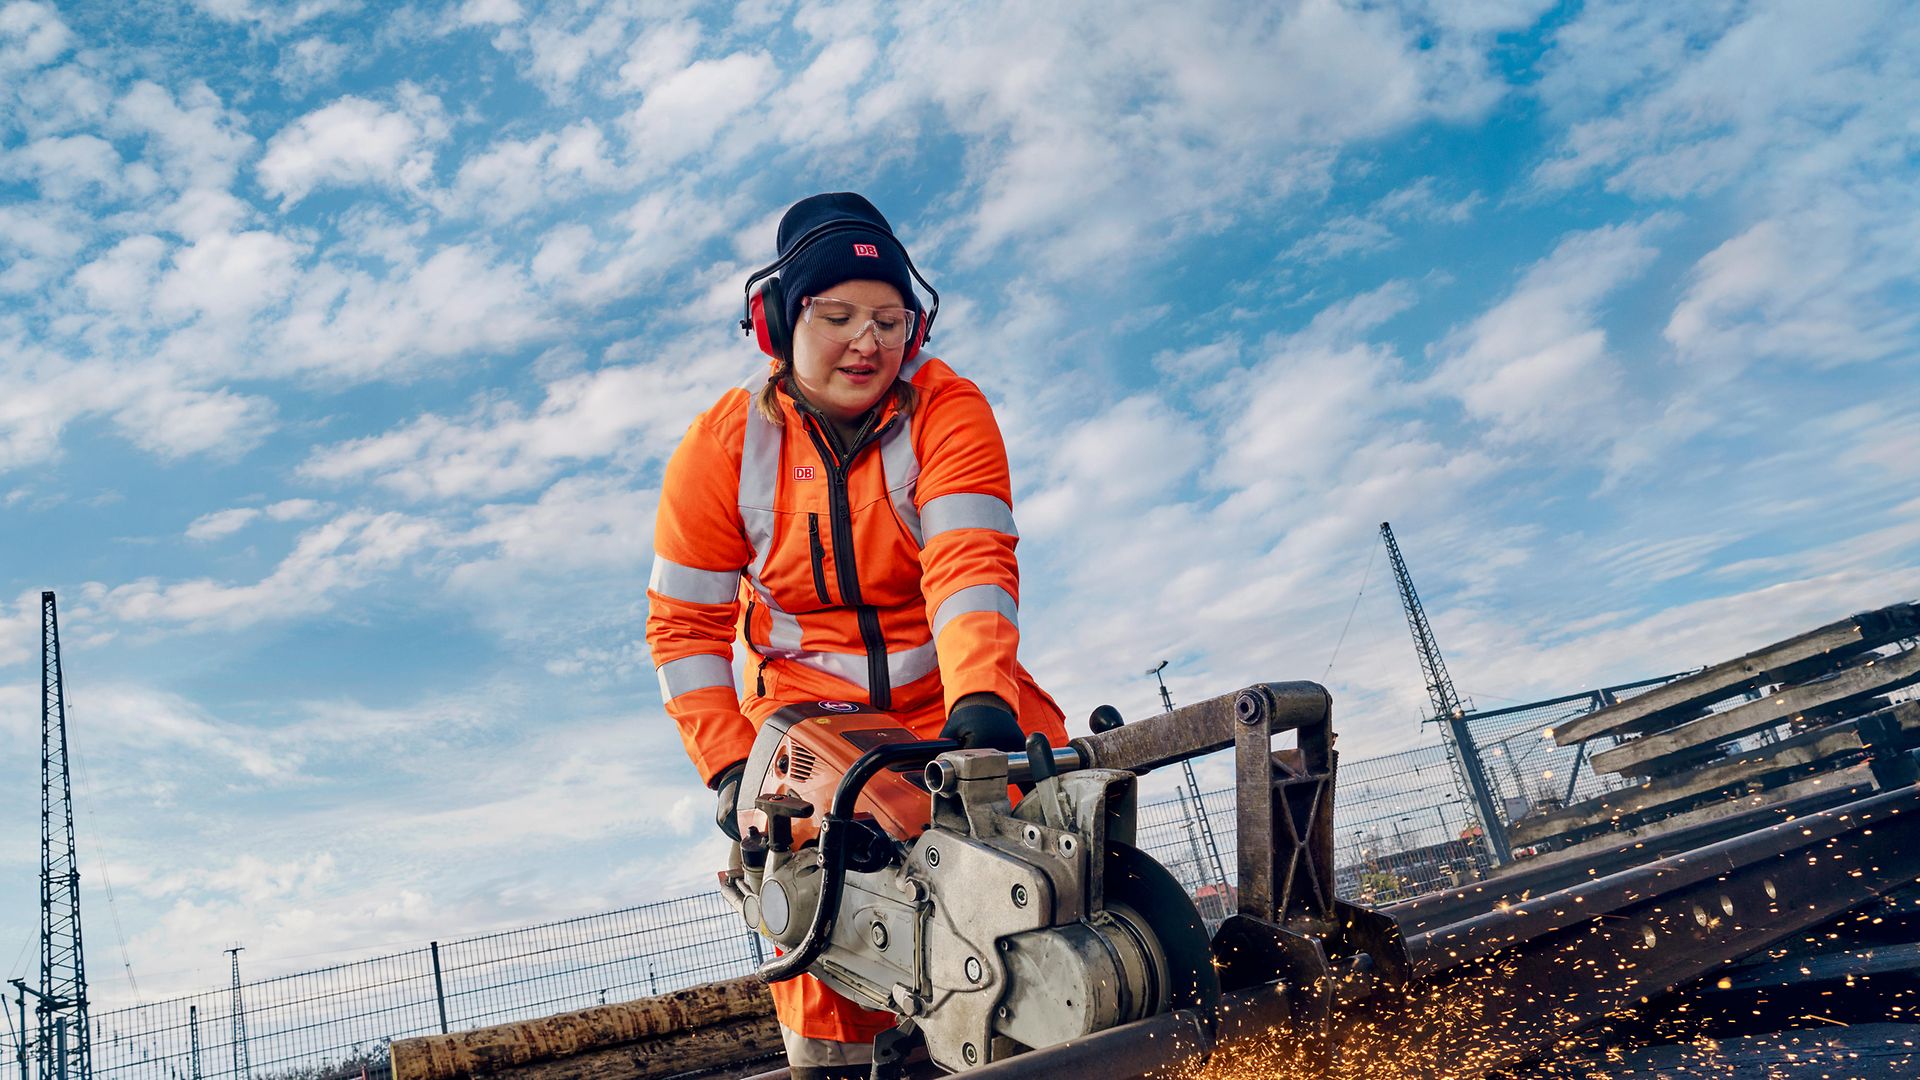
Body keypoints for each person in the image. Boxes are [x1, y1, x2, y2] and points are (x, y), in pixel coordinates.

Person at [645, 192, 1068, 1079]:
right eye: (836, 316)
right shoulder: (723, 447)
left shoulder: (948, 411)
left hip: (956, 701)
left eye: (888, 319)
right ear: (777, 324)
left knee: (1054, 837)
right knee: (818, 898)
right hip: (805, 727)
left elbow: (970, 562)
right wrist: (728, 767)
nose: (867, 341)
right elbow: (685, 625)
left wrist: (983, 700)